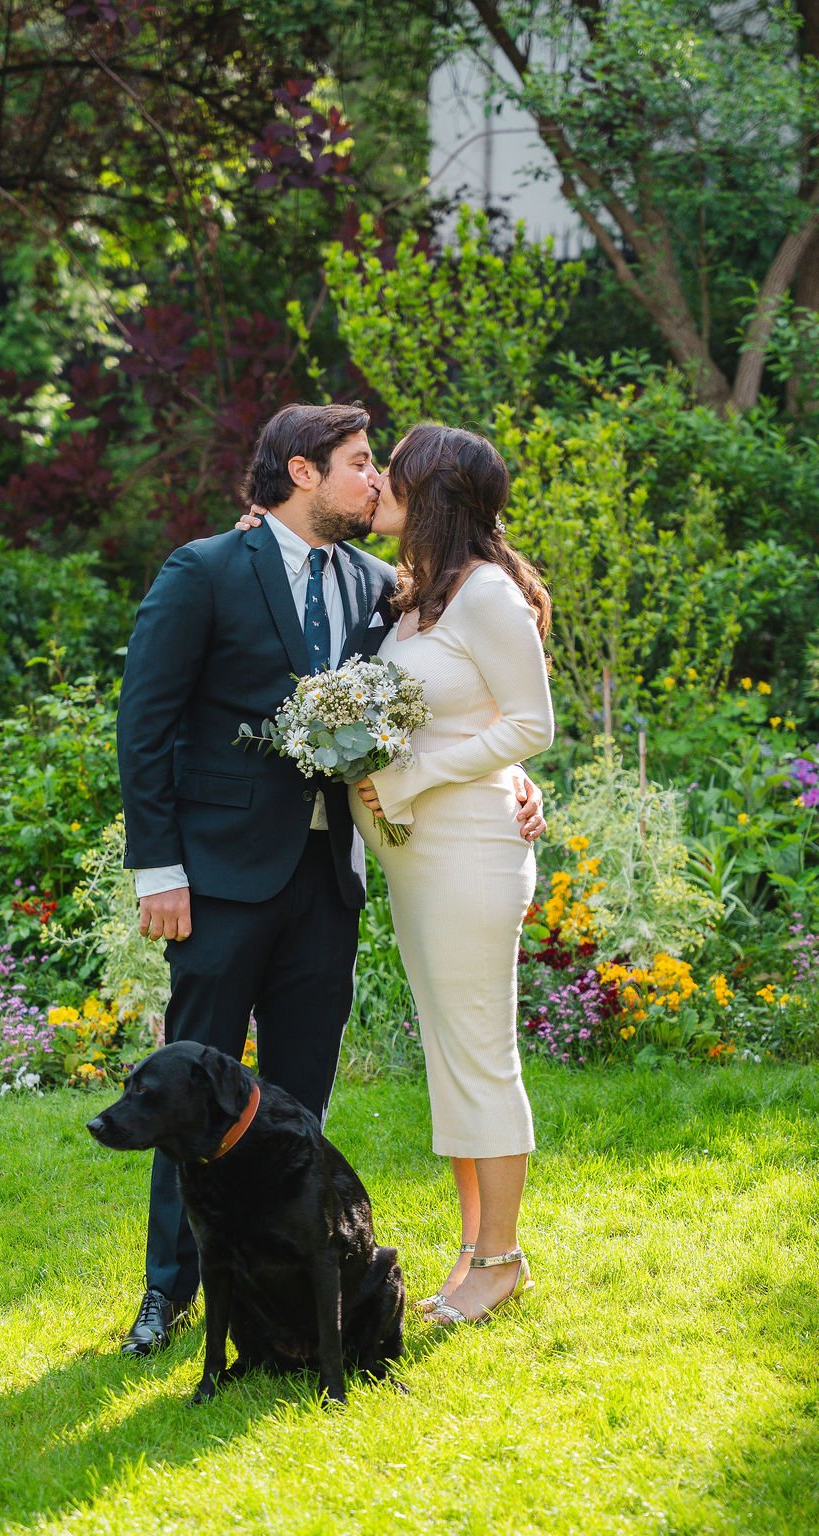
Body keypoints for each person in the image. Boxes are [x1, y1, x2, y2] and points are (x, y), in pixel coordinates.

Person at [116, 403, 547, 1356]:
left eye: (383, 468)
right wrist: (160, 868)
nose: (375, 482)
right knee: (191, 1088)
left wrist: (516, 777)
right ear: (304, 474)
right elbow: (143, 725)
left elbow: (459, 694)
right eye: (359, 464)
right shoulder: (206, 570)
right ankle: (166, 1294)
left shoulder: (377, 586)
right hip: (221, 879)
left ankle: (293, 1292)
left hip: (328, 876)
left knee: (297, 1104)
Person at [353, 423, 554, 1326]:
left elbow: (531, 727)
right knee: (449, 1055)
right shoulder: (416, 598)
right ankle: (473, 1246)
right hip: (419, 856)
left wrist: (412, 778)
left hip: (472, 847)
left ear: (428, 488)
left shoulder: (486, 598)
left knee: (480, 1054)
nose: (379, 480)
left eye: (391, 468)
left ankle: (502, 1258)